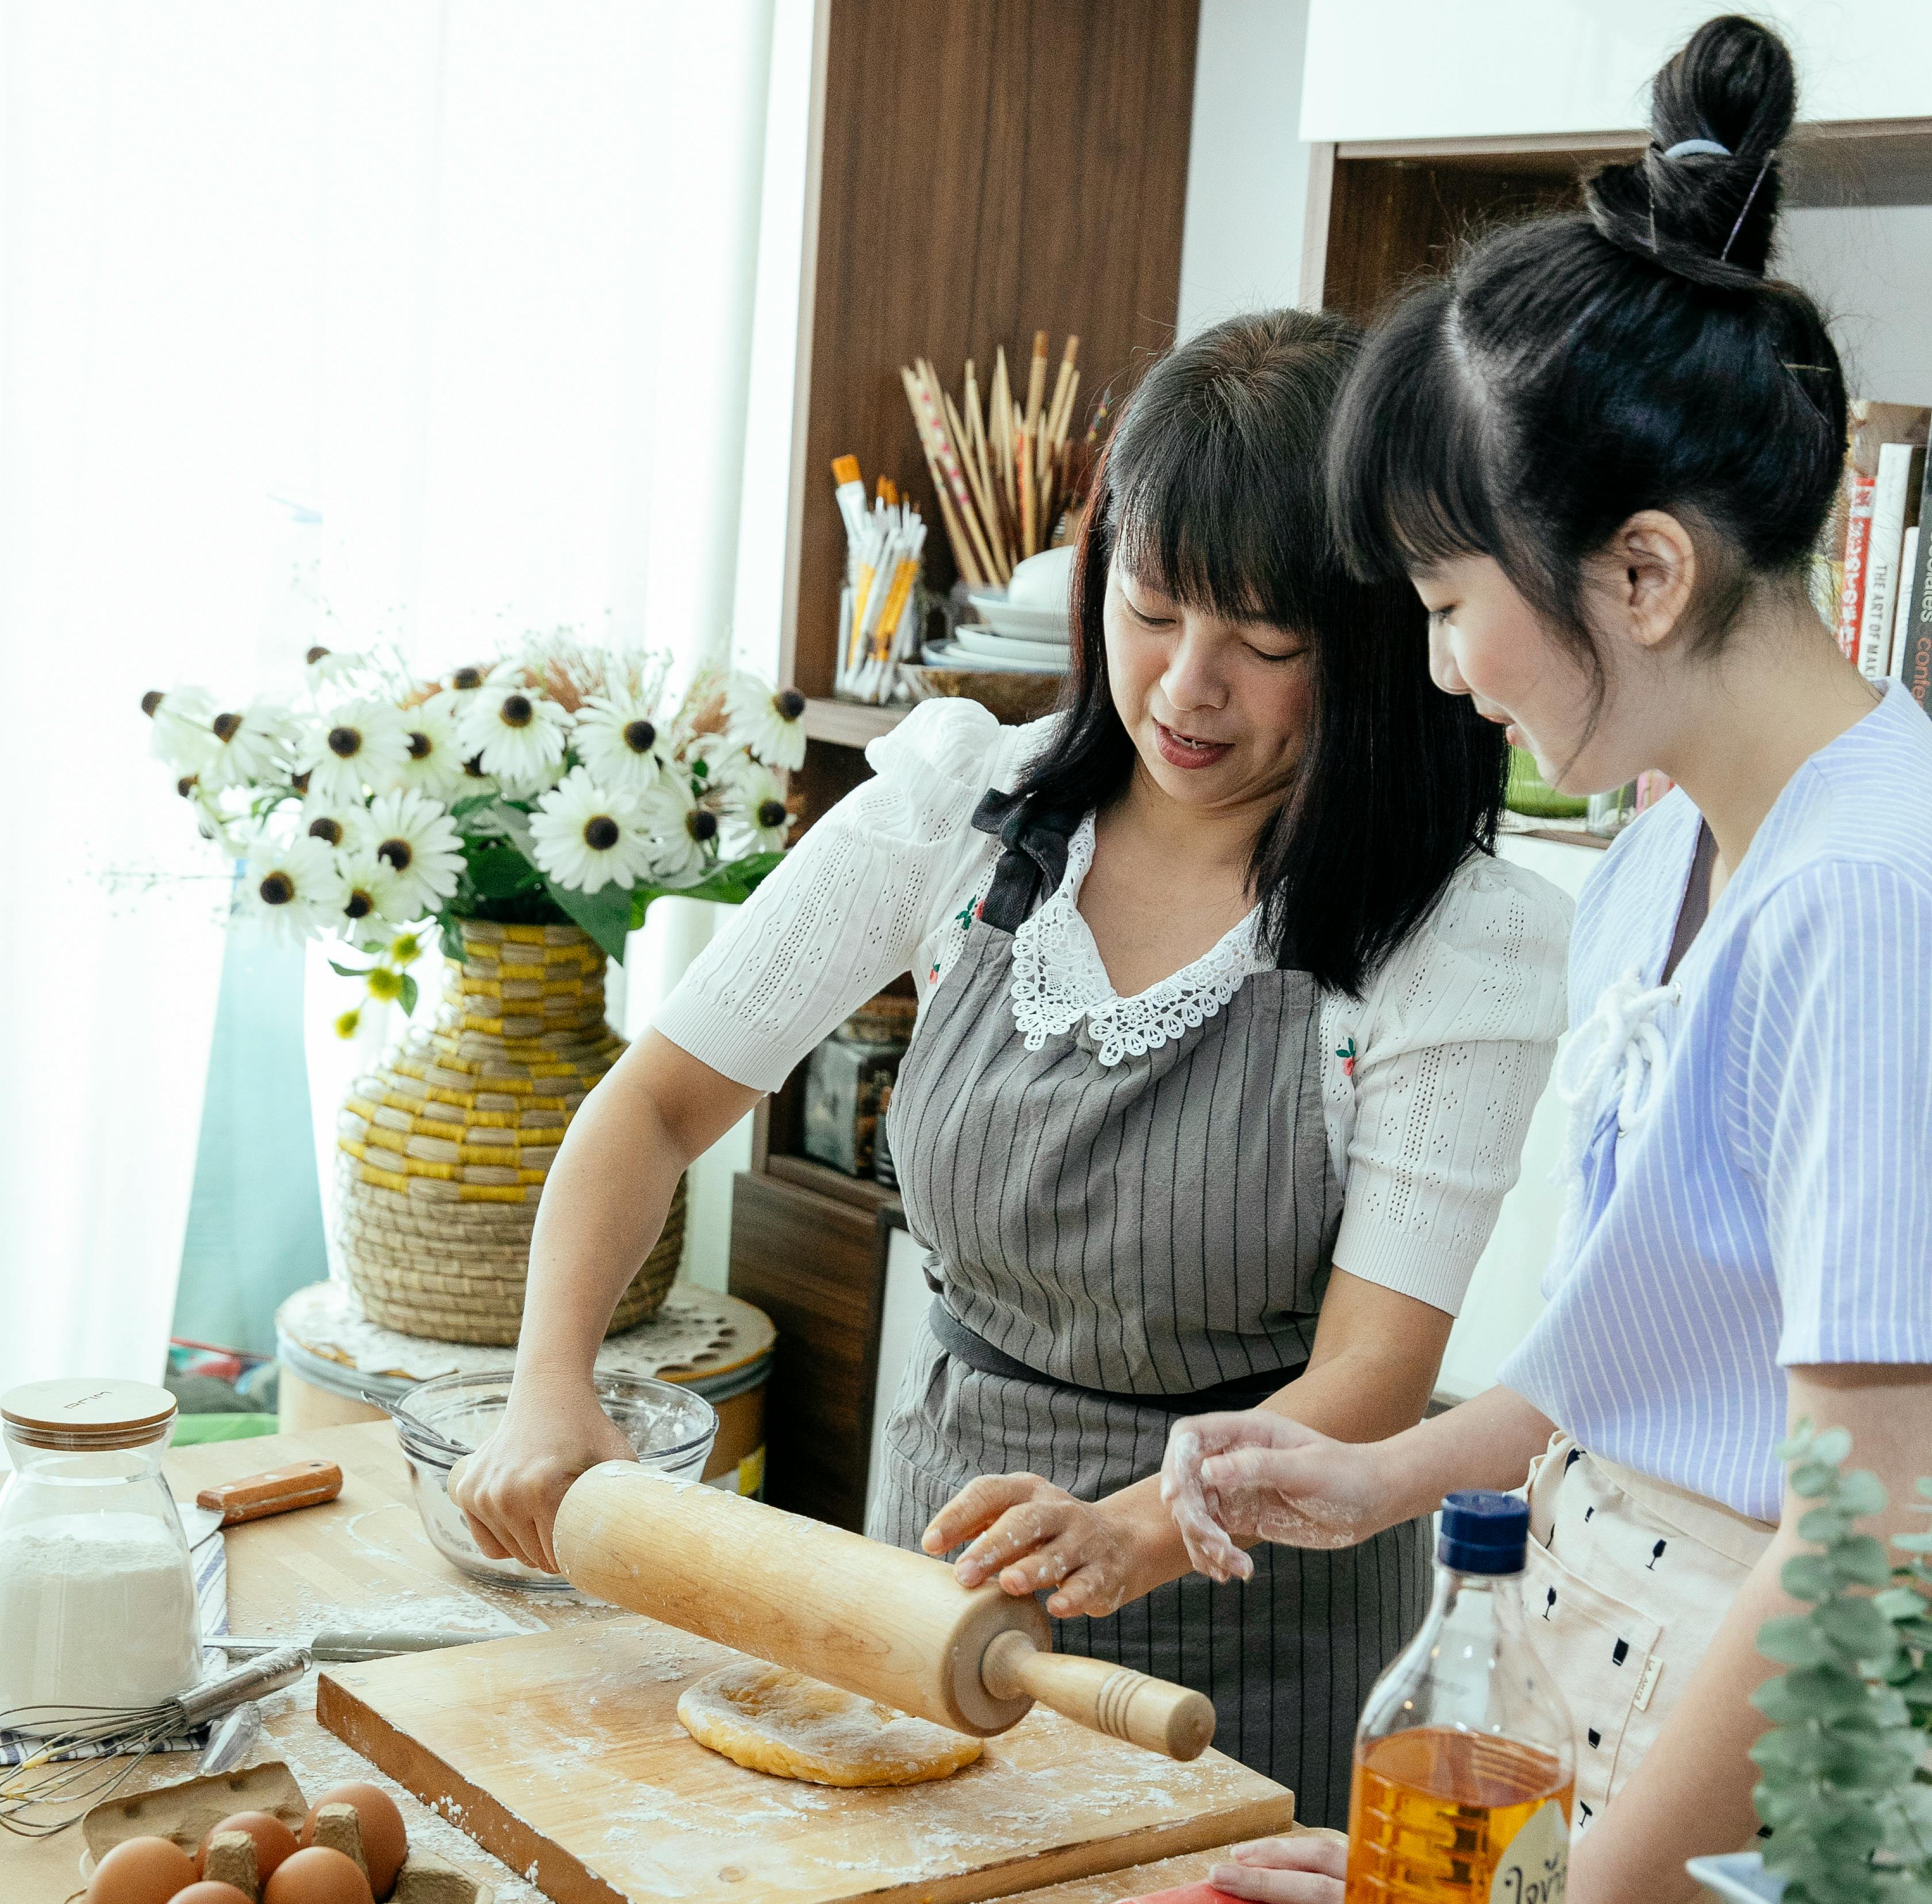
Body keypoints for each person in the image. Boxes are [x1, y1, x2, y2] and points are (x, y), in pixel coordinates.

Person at [449, 310, 1569, 1819]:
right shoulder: (963, 814)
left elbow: (1373, 1378)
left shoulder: (1450, 945)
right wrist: (548, 1384)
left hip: (1253, 1637)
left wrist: (1131, 1533)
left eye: (1264, 644)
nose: (1186, 687)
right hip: (933, 1581)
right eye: (1153, 610)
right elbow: (658, 1102)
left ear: (1373, 644)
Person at [1162, 18, 1932, 1904]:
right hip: (1586, 1679)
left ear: (1646, 571)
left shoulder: (1872, 899)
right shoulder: (1672, 847)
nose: (1435, 664)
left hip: (1739, 1775)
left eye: (1441, 595)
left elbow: (1869, 1544)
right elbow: (1651, 1349)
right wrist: (1388, 1474)